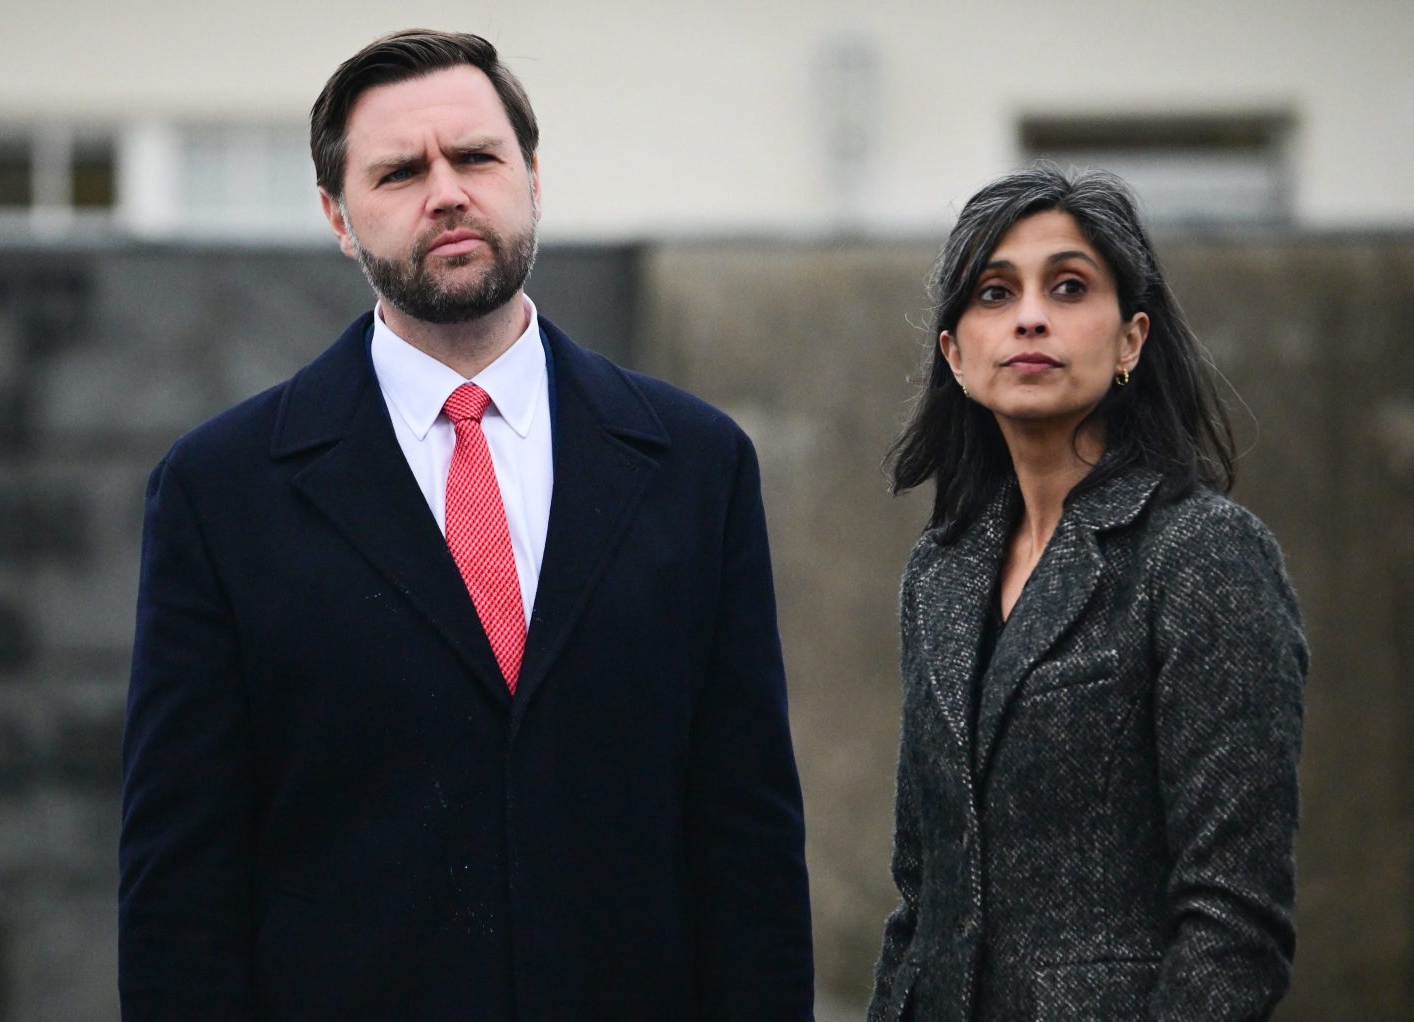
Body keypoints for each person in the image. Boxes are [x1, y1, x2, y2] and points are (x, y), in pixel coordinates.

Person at [118, 29, 813, 1022]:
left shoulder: (695, 463)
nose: (446, 191)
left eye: (477, 157)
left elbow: (746, 837)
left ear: (532, 176)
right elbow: (179, 877)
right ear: (338, 217)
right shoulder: (219, 490)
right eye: (400, 171)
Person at [866, 167, 1307, 1021]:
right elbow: (922, 899)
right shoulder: (941, 574)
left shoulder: (1203, 556)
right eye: (995, 292)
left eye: (1069, 287)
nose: (1031, 314)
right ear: (955, 353)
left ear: (1132, 339)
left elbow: (1235, 922)